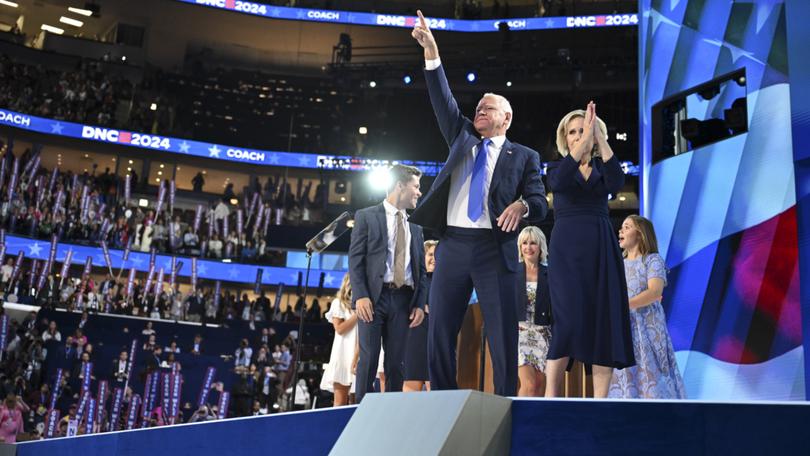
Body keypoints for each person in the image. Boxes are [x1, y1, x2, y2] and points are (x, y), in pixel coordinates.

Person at [410, 11, 547, 396]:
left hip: (494, 249)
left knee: (503, 333)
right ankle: (441, 400)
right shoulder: (461, 136)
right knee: (440, 331)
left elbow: (539, 200)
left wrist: (523, 206)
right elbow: (442, 97)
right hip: (452, 244)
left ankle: (505, 402)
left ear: (506, 117)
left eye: (488, 108)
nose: (479, 112)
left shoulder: (524, 156)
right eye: (478, 107)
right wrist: (432, 52)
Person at [544, 103, 634, 398]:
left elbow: (618, 181)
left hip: (600, 245)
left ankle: (600, 403)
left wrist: (599, 138)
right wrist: (584, 143)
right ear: (565, 137)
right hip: (566, 248)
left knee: (601, 318)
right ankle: (549, 398)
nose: (578, 136)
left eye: (584, 130)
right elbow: (556, 183)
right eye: (573, 132)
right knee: (566, 319)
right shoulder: (558, 167)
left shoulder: (601, 168)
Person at [349, 164, 427, 402]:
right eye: (416, 186)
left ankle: (391, 415)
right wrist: (361, 295)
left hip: (404, 301)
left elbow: (421, 271)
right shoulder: (366, 216)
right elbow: (355, 260)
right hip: (373, 298)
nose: (419, 192)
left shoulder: (416, 226)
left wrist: (419, 303)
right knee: (369, 358)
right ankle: (360, 413)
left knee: (396, 363)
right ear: (400, 186)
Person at [609, 215, 686, 399]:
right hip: (625, 328)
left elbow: (654, 291)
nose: (620, 231)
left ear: (640, 234)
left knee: (653, 376)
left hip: (649, 328)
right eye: (621, 227)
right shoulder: (619, 264)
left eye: (627, 227)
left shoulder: (652, 260)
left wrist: (623, 306)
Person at [516, 226, 552, 397]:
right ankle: (519, 421)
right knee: (529, 385)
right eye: (524, 243)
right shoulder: (513, 271)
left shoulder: (550, 273)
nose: (528, 247)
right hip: (519, 333)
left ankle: (534, 422)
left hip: (543, 334)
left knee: (538, 386)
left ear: (541, 247)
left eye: (533, 243)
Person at [403, 240, 437, 392]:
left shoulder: (446, 281)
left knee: (435, 389)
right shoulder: (413, 280)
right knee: (411, 388)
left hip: (436, 338)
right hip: (414, 336)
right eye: (430, 254)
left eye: (437, 255)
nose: (434, 258)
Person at [320, 273, 358, 406]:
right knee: (340, 403)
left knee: (357, 403)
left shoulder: (368, 303)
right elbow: (340, 329)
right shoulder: (339, 303)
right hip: (342, 356)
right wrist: (357, 314)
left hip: (360, 355)